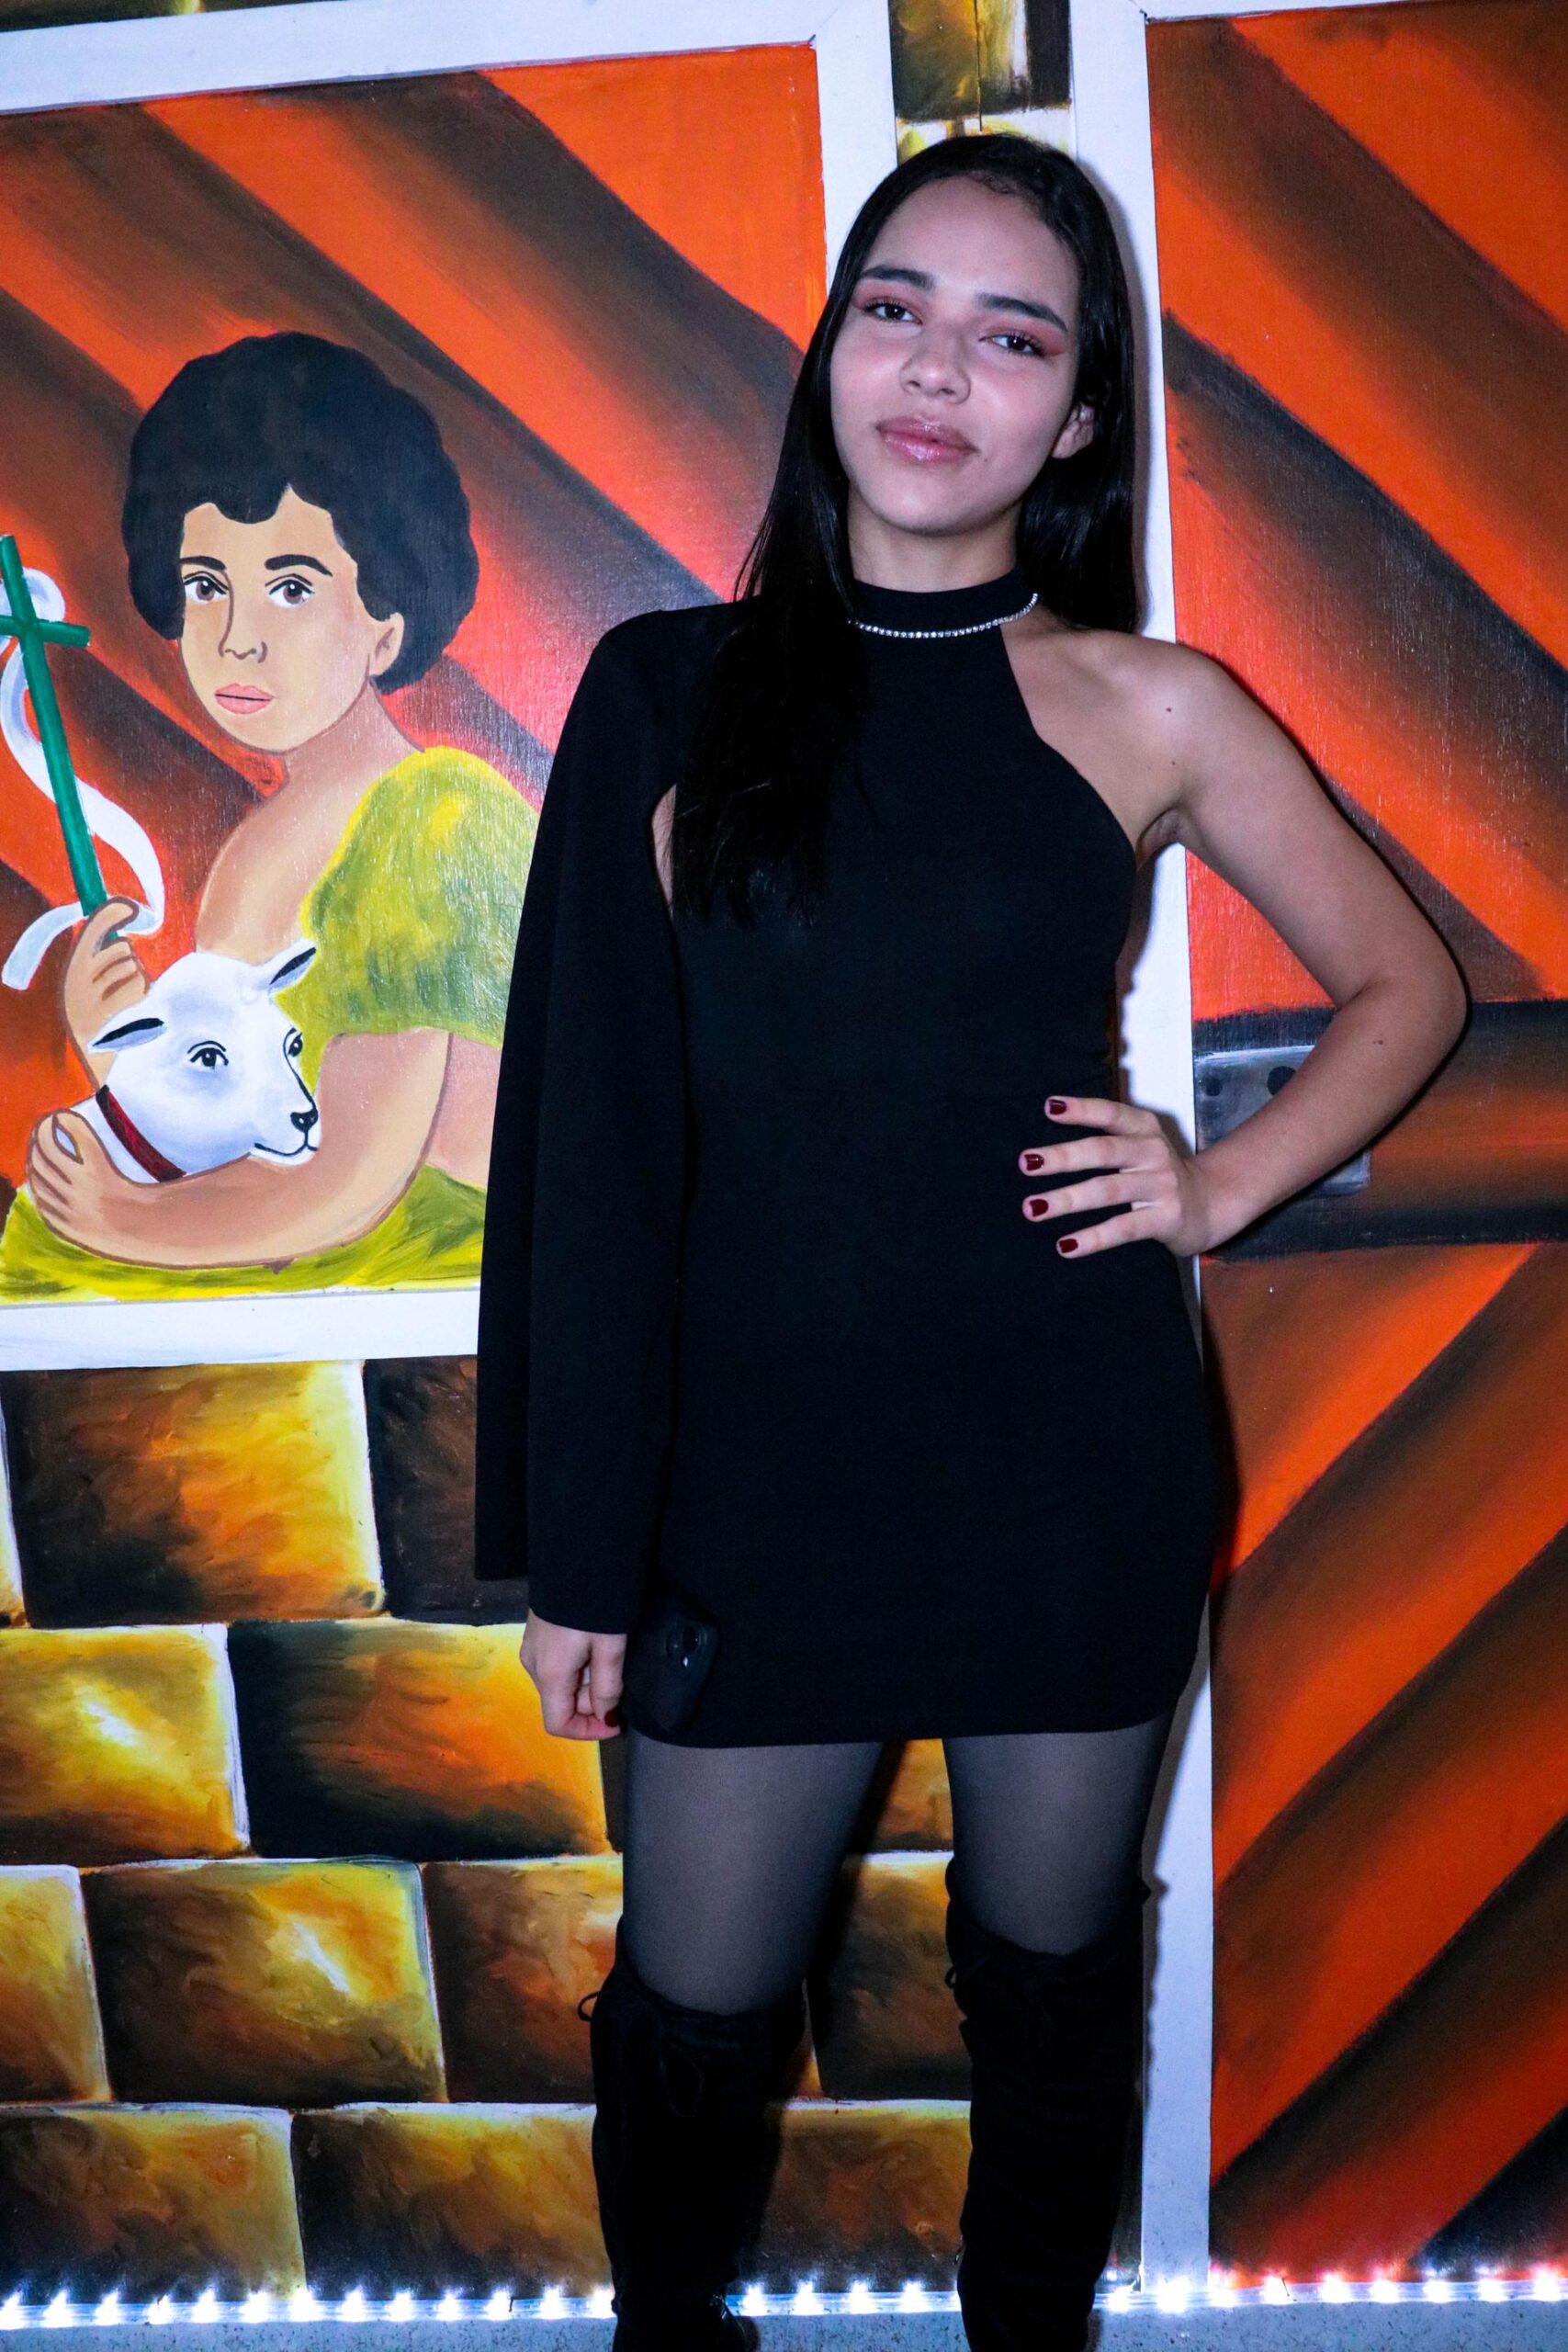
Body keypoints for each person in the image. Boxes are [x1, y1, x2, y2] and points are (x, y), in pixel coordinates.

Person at [472, 134, 1467, 2352]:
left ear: (1077, 413)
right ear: (829, 348)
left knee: (1048, 1981)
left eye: (1010, 335)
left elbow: (1405, 984)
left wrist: (1209, 1182)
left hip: (1066, 1462)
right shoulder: (660, 689)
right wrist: (574, 1551)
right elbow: (587, 1151)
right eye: (894, 308)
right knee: (689, 2010)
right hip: (746, 1485)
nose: (938, 370)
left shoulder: (1151, 704)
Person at [9, 331, 533, 1299]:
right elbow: (239, 1123)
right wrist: (117, 1038)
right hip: (307, 1257)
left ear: (386, 622)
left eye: (290, 587)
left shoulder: (438, 820)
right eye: (207, 585)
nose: (237, 638)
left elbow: (352, 1182)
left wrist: (131, 1221)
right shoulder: (254, 851)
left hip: (430, 1280)